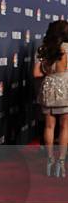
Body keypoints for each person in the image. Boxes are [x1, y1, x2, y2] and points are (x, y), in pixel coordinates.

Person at [33, 20, 68, 177]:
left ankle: (49, 161)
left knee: (49, 127)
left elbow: (36, 74)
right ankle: (61, 163)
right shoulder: (67, 49)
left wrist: (49, 73)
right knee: (65, 127)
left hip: (48, 90)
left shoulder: (44, 50)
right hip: (65, 90)